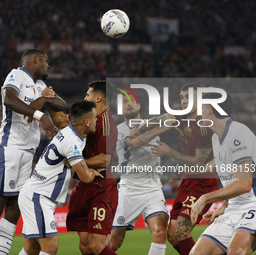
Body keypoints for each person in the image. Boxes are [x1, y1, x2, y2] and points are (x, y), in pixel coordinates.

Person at [0, 48, 67, 255]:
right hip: (9, 146)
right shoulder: (16, 74)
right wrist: (40, 114)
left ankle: (1, 253)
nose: (48, 66)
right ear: (35, 60)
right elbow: (10, 100)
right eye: (46, 62)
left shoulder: (40, 86)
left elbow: (62, 104)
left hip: (27, 152)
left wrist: (45, 98)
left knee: (15, 205)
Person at [18, 100, 104, 255]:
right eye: (95, 118)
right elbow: (85, 177)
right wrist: (92, 171)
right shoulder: (72, 142)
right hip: (38, 196)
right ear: (87, 121)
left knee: (32, 249)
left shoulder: (71, 132)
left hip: (36, 194)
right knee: (50, 247)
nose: (97, 121)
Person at [48, 80, 119, 255]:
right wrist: (49, 100)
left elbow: (105, 160)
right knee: (85, 246)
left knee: (96, 245)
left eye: (88, 94)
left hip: (101, 188)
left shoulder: (107, 123)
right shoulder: (87, 118)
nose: (85, 97)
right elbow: (60, 120)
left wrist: (76, 161)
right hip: (83, 187)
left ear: (99, 97)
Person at [150, 84, 218, 255]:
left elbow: (199, 162)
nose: (184, 101)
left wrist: (169, 151)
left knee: (181, 231)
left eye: (189, 97)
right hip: (187, 181)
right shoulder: (179, 113)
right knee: (172, 235)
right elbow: (159, 120)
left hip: (203, 182)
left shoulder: (207, 122)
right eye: (182, 97)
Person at [189, 91, 256, 255]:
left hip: (253, 206)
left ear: (209, 109)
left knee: (235, 251)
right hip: (233, 209)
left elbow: (244, 184)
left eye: (200, 108)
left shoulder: (239, 133)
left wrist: (205, 198)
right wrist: (223, 208)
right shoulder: (215, 139)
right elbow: (231, 182)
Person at [106, 92, 169, 255]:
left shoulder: (152, 123)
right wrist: (165, 125)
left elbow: (171, 115)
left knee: (160, 232)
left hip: (154, 190)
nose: (128, 104)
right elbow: (134, 142)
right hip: (128, 190)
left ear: (139, 105)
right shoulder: (117, 130)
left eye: (131, 101)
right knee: (114, 242)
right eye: (124, 102)